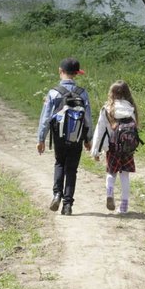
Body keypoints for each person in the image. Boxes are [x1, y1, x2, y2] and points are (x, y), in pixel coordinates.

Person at [36, 57, 93, 215]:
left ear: (60, 71)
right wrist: (88, 139)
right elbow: (88, 118)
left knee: (60, 163)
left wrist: (41, 139)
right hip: (77, 135)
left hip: (59, 135)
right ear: (76, 74)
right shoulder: (83, 93)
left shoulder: (54, 92)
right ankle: (68, 205)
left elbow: (45, 118)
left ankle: (57, 195)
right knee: (72, 169)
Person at [90, 80, 139, 215]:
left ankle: (110, 193)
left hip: (112, 147)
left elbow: (100, 131)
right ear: (127, 93)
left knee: (111, 173)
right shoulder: (131, 108)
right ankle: (124, 207)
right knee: (125, 176)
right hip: (127, 148)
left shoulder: (107, 109)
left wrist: (95, 151)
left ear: (111, 93)